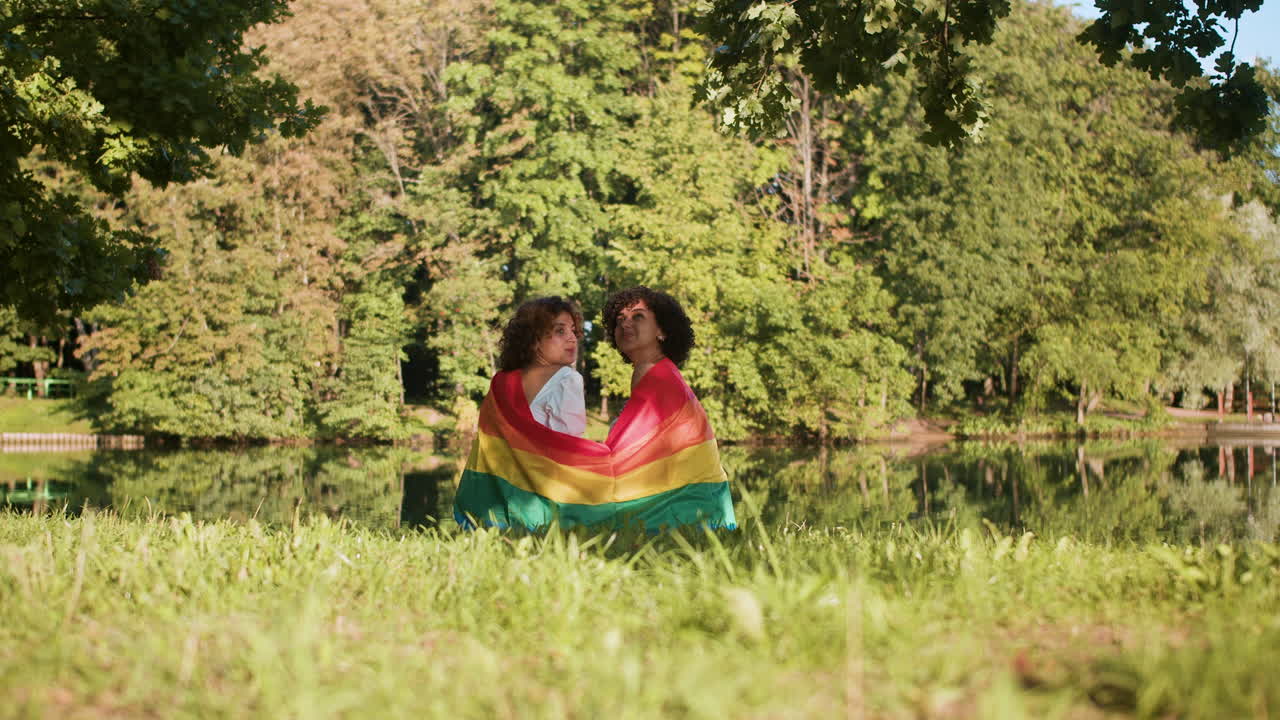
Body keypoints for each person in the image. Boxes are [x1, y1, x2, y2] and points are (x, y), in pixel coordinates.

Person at [495, 296, 587, 436]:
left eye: (573, 330)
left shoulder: (500, 382)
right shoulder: (566, 379)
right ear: (533, 339)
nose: (573, 338)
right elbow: (570, 448)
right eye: (560, 331)